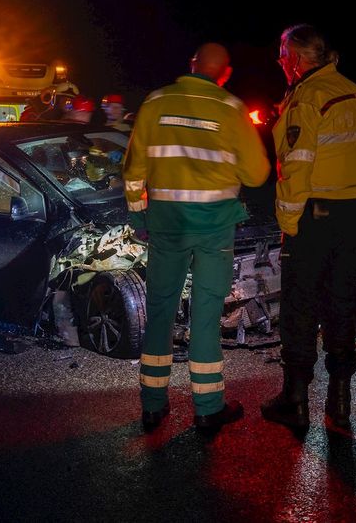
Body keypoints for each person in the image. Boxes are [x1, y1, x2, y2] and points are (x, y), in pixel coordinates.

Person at [122, 42, 270, 434]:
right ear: (225, 74)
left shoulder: (155, 102)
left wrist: (139, 216)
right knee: (205, 317)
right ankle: (208, 409)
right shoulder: (230, 109)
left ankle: (153, 407)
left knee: (160, 314)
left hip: (167, 226)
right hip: (213, 230)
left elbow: (134, 169)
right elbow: (257, 175)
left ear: (191, 64)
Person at [261, 24, 356, 433]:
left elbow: (297, 166)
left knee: (301, 306)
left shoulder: (307, 97)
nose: (279, 62)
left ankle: (295, 401)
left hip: (314, 215)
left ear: (295, 59)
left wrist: (288, 223)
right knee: (343, 303)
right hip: (353, 211)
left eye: (281, 54)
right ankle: (339, 402)